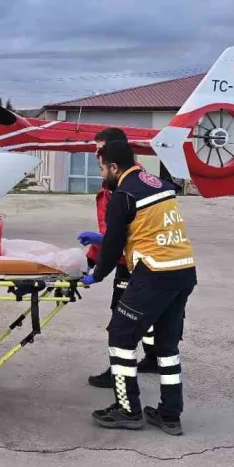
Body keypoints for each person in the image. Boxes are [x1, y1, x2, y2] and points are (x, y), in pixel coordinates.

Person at [79, 139, 196, 435]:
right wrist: (102, 239)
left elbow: (116, 244)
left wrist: (97, 273)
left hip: (154, 274)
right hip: (183, 271)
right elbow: (147, 230)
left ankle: (127, 409)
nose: (101, 173)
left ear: (114, 167)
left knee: (120, 335)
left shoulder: (123, 194)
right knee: (167, 347)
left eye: (102, 167)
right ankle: (170, 414)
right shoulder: (157, 184)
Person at [80, 129, 157, 389]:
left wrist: (95, 268)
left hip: (131, 261)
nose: (96, 154)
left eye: (100, 148)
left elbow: (114, 235)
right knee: (144, 313)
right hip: (144, 260)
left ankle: (119, 374)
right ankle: (154, 356)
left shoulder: (123, 186)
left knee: (122, 319)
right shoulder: (138, 179)